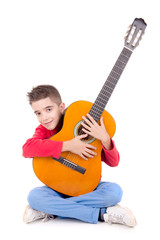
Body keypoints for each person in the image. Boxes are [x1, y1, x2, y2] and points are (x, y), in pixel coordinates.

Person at [22, 84, 137, 227]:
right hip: (56, 188)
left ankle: (49, 209)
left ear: (62, 107)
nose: (44, 117)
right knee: (34, 196)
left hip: (87, 187)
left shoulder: (81, 122)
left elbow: (114, 162)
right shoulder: (44, 130)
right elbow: (27, 149)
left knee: (115, 192)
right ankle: (103, 213)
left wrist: (105, 139)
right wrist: (69, 145)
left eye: (49, 109)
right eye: (38, 113)